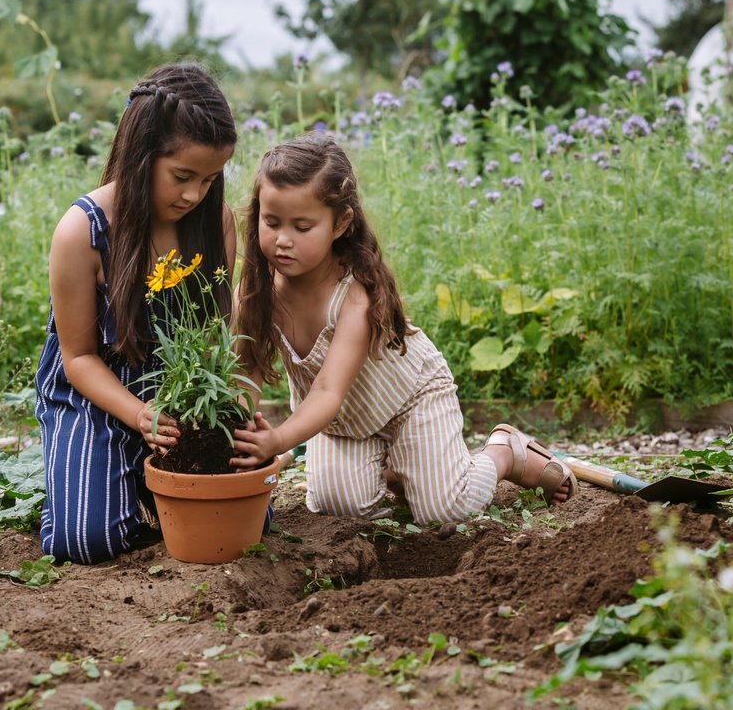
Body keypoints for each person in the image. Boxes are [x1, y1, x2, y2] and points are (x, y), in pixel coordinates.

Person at [230, 136, 576, 524]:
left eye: (303, 226)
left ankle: (504, 453)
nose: (283, 240)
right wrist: (237, 430)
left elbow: (327, 390)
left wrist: (277, 441)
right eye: (271, 222)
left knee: (444, 511)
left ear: (341, 223)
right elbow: (248, 369)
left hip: (410, 401)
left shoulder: (354, 297)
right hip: (345, 424)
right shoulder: (258, 290)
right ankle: (402, 469)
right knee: (339, 508)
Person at [35, 62, 238, 564]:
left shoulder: (216, 223)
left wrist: (201, 415)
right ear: (139, 156)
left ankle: (139, 486)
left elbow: (213, 339)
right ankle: (75, 486)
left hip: (176, 392)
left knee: (238, 523)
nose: (195, 195)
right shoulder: (82, 231)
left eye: (210, 179)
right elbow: (78, 358)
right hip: (97, 393)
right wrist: (138, 416)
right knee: (85, 540)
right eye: (182, 176)